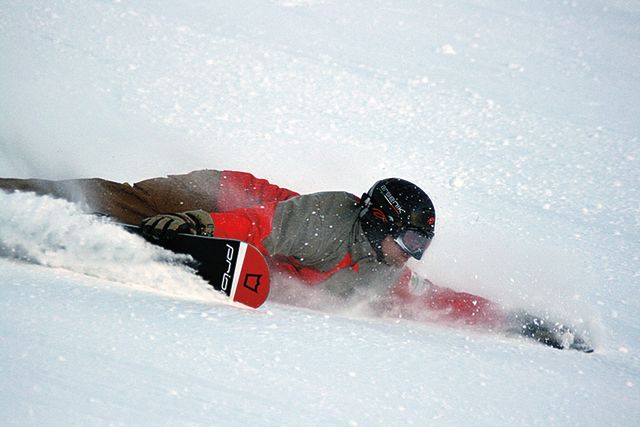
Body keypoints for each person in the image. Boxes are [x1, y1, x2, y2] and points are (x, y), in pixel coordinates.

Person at [0, 169, 592, 351]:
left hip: (242, 230)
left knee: (128, 223)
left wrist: (518, 321)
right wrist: (200, 225)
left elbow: (439, 303)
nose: (411, 256)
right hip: (222, 199)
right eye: (409, 241)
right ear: (382, 221)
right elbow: (260, 226)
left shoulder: (383, 272)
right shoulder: (333, 219)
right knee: (123, 203)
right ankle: (16, 197)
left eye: (420, 248)